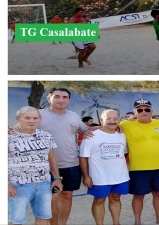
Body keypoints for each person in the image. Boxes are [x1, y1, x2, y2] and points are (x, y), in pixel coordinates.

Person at [37, 87, 94, 225]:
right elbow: (20, 128)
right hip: (47, 166)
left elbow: (87, 130)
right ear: (49, 98)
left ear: (68, 100)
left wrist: (113, 127)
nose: (61, 100)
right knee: (53, 199)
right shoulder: (38, 114)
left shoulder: (73, 116)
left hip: (71, 164)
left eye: (64, 97)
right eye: (57, 96)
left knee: (67, 196)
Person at [119, 99, 159, 225]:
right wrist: (89, 130)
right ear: (135, 112)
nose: (144, 112)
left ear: (151, 111)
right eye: (140, 110)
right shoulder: (125, 124)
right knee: (138, 196)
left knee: (158, 194)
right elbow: (108, 127)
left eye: (147, 109)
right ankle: (137, 221)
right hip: (138, 168)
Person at [8, 106, 63, 225]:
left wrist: (57, 179)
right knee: (17, 220)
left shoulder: (46, 136)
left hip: (44, 184)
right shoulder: (8, 136)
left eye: (35, 118)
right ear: (18, 118)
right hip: (18, 185)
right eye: (27, 118)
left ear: (39, 120)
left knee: (43, 216)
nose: (31, 121)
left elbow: (52, 159)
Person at [79, 109, 130, 225]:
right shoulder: (91, 136)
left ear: (119, 120)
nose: (112, 121)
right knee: (99, 200)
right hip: (99, 177)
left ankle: (116, 223)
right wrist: (86, 176)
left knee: (116, 198)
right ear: (101, 120)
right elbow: (83, 157)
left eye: (115, 119)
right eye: (108, 118)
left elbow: (124, 154)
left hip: (120, 176)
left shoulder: (122, 135)